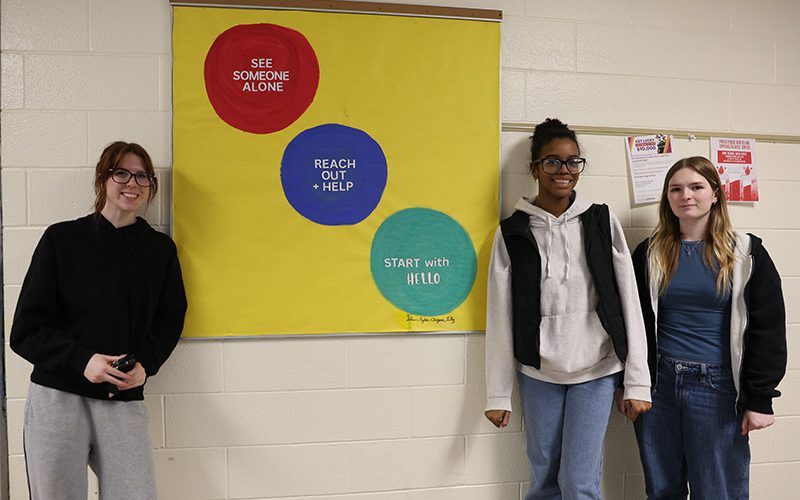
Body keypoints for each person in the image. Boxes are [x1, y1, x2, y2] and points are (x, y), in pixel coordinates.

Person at [484, 118, 652, 499]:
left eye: (573, 161)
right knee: (544, 479)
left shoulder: (600, 220)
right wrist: (497, 393)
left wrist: (637, 381)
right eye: (552, 162)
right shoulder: (512, 231)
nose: (564, 170)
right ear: (534, 168)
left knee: (578, 483)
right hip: (538, 370)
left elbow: (628, 301)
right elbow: (499, 314)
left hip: (596, 368)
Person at [10, 141, 187, 499]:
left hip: (122, 399)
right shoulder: (62, 239)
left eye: (142, 176)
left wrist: (145, 366)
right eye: (121, 172)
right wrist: (81, 360)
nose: (132, 183)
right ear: (102, 179)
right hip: (58, 397)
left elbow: (170, 321)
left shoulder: (160, 251)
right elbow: (25, 332)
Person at [631, 156, 787, 499]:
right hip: (660, 387)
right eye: (676, 189)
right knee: (661, 490)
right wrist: (629, 384)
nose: (686, 195)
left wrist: (760, 398)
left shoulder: (746, 253)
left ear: (715, 194)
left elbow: (769, 329)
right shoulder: (650, 253)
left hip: (716, 388)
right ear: (667, 198)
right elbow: (632, 323)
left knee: (717, 490)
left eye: (696, 187)